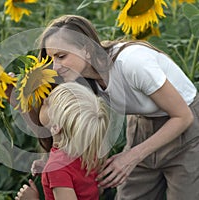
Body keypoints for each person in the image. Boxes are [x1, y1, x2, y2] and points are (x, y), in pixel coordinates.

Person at [25, 14, 199, 200]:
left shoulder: (133, 63)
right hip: (140, 125)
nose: (55, 67)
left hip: (184, 127)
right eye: (51, 59)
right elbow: (61, 125)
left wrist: (131, 157)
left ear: (86, 50)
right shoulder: (79, 79)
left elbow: (183, 116)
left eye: (61, 56)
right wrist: (55, 164)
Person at [15, 82, 109, 200]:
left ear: (55, 127)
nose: (43, 99)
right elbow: (84, 184)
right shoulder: (87, 151)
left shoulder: (58, 167)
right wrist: (48, 170)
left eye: (47, 103)